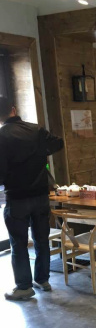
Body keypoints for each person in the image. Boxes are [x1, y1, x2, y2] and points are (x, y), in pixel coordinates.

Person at [0, 98, 64, 301]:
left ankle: (24, 287)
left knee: (18, 244)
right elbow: (58, 143)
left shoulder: (1, 136)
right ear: (13, 109)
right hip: (40, 195)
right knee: (41, 239)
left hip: (17, 198)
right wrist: (40, 153)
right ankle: (43, 280)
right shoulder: (36, 130)